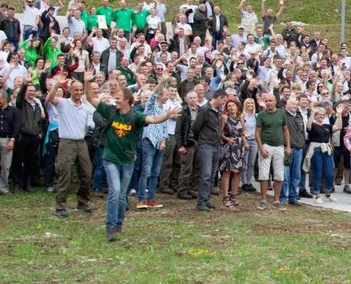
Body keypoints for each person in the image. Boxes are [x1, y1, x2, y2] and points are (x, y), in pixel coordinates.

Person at [84, 70, 179, 240]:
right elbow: (91, 99)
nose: (115, 100)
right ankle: (110, 226)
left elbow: (152, 120)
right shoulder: (110, 111)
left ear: (127, 100)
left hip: (127, 159)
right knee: (115, 190)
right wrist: (86, 82)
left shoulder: (135, 115)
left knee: (122, 195)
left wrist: (166, 116)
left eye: (118, 97)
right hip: (110, 158)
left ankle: (119, 222)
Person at [46, 75, 96, 217]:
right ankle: (60, 206)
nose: (79, 93)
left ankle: (82, 201)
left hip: (81, 142)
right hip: (66, 142)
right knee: (64, 173)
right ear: (70, 90)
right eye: (76, 90)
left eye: (81, 90)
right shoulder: (63, 103)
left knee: (86, 173)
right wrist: (57, 85)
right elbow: (50, 98)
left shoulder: (86, 108)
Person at [192, 90, 226, 212]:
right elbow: (196, 127)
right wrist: (200, 140)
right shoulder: (205, 109)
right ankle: (201, 202)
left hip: (215, 144)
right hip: (206, 144)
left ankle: (206, 199)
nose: (224, 103)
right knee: (205, 175)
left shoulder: (217, 111)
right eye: (223, 100)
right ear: (219, 98)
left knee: (212, 175)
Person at [255, 92, 289, 210]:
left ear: (275, 101)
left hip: (279, 146)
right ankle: (263, 199)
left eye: (270, 100)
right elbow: (257, 133)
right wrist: (261, 148)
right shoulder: (261, 115)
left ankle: (276, 200)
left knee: (279, 175)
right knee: (264, 174)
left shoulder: (281, 113)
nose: (268, 103)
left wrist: (288, 146)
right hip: (266, 146)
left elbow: (285, 130)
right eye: (267, 101)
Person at [218, 98, 247, 208]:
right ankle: (225, 197)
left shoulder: (240, 117)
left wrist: (245, 140)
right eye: (229, 106)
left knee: (237, 172)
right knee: (227, 172)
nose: (231, 107)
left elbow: (243, 131)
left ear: (237, 107)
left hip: (239, 147)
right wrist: (227, 139)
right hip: (228, 147)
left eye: (233, 105)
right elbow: (220, 133)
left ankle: (234, 195)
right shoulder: (224, 118)